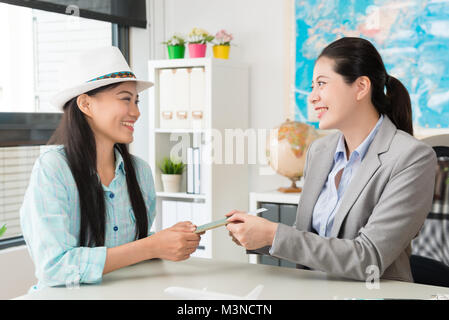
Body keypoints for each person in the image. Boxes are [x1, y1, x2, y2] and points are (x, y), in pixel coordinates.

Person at [226, 37, 437, 282]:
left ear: (361, 87)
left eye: (321, 84)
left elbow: (369, 259)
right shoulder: (320, 151)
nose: (312, 97)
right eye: (313, 86)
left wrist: (273, 235)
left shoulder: (412, 157)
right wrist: (257, 236)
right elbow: (310, 241)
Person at [20, 46, 202, 290]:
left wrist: (166, 241)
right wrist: (152, 246)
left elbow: (131, 247)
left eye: (136, 101)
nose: (136, 112)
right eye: (125, 99)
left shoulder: (139, 172)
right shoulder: (53, 168)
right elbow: (54, 267)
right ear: (85, 104)